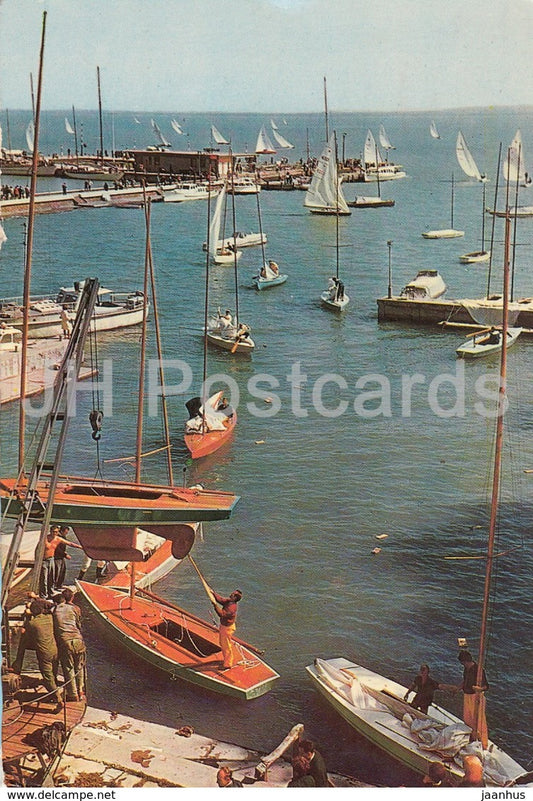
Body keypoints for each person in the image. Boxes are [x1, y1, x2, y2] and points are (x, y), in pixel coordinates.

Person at [12, 599, 62, 711]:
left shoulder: (32, 623)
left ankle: (58, 698)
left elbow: (25, 635)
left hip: (44, 654)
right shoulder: (49, 618)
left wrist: (27, 614)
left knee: (47, 676)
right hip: (55, 650)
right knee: (53, 673)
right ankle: (53, 693)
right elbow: (48, 606)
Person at [53, 588, 86, 702]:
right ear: (72, 597)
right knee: (79, 666)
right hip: (77, 639)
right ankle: (81, 690)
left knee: (68, 667)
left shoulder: (55, 609)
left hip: (65, 641)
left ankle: (73, 694)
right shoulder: (75, 609)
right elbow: (79, 624)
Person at [456, 650, 489, 749]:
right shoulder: (466, 669)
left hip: (476, 697)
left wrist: (480, 689)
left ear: (466, 661)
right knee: (468, 719)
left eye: (463, 663)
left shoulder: (478, 670)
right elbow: (465, 680)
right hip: (467, 696)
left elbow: (486, 686)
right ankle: (472, 739)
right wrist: (459, 688)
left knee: (479, 721)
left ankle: (483, 744)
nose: (463, 665)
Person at [211, 587, 242, 670]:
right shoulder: (229, 601)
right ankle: (227, 660)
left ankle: (227, 664)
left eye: (233, 594)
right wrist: (213, 593)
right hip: (224, 626)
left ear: (235, 598)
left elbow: (222, 614)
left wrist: (215, 606)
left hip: (227, 628)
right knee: (222, 643)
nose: (231, 594)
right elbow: (221, 600)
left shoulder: (232, 608)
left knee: (226, 646)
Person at [53, 525, 82, 589]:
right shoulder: (57, 537)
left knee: (62, 571)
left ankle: (59, 585)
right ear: (61, 531)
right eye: (66, 532)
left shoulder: (63, 537)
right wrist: (65, 555)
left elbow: (69, 543)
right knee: (56, 572)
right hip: (57, 558)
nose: (66, 534)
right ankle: (54, 586)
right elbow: (57, 548)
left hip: (61, 557)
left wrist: (79, 547)